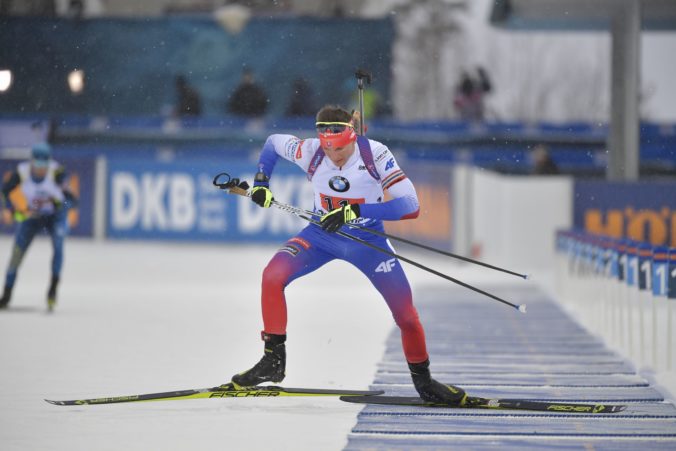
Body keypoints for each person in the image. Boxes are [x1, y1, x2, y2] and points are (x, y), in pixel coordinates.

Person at [229, 105, 467, 405]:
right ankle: (273, 360)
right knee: (272, 276)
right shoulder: (312, 151)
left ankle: (425, 382)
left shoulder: (375, 155)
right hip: (321, 236)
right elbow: (274, 142)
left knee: (406, 316)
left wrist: (355, 210)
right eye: (329, 149)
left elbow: (410, 206)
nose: (334, 155)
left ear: (353, 136)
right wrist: (262, 183)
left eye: (340, 148)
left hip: (367, 242)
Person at [0, 143, 78, 311]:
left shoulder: (57, 173)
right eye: (38, 164)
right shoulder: (22, 171)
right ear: (32, 162)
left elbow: (71, 199)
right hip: (32, 217)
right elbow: (5, 191)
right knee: (17, 252)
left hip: (54, 217)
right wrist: (8, 209)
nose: (41, 169)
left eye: (44, 164)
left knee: (58, 246)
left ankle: (52, 290)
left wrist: (60, 204)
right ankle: (6, 294)